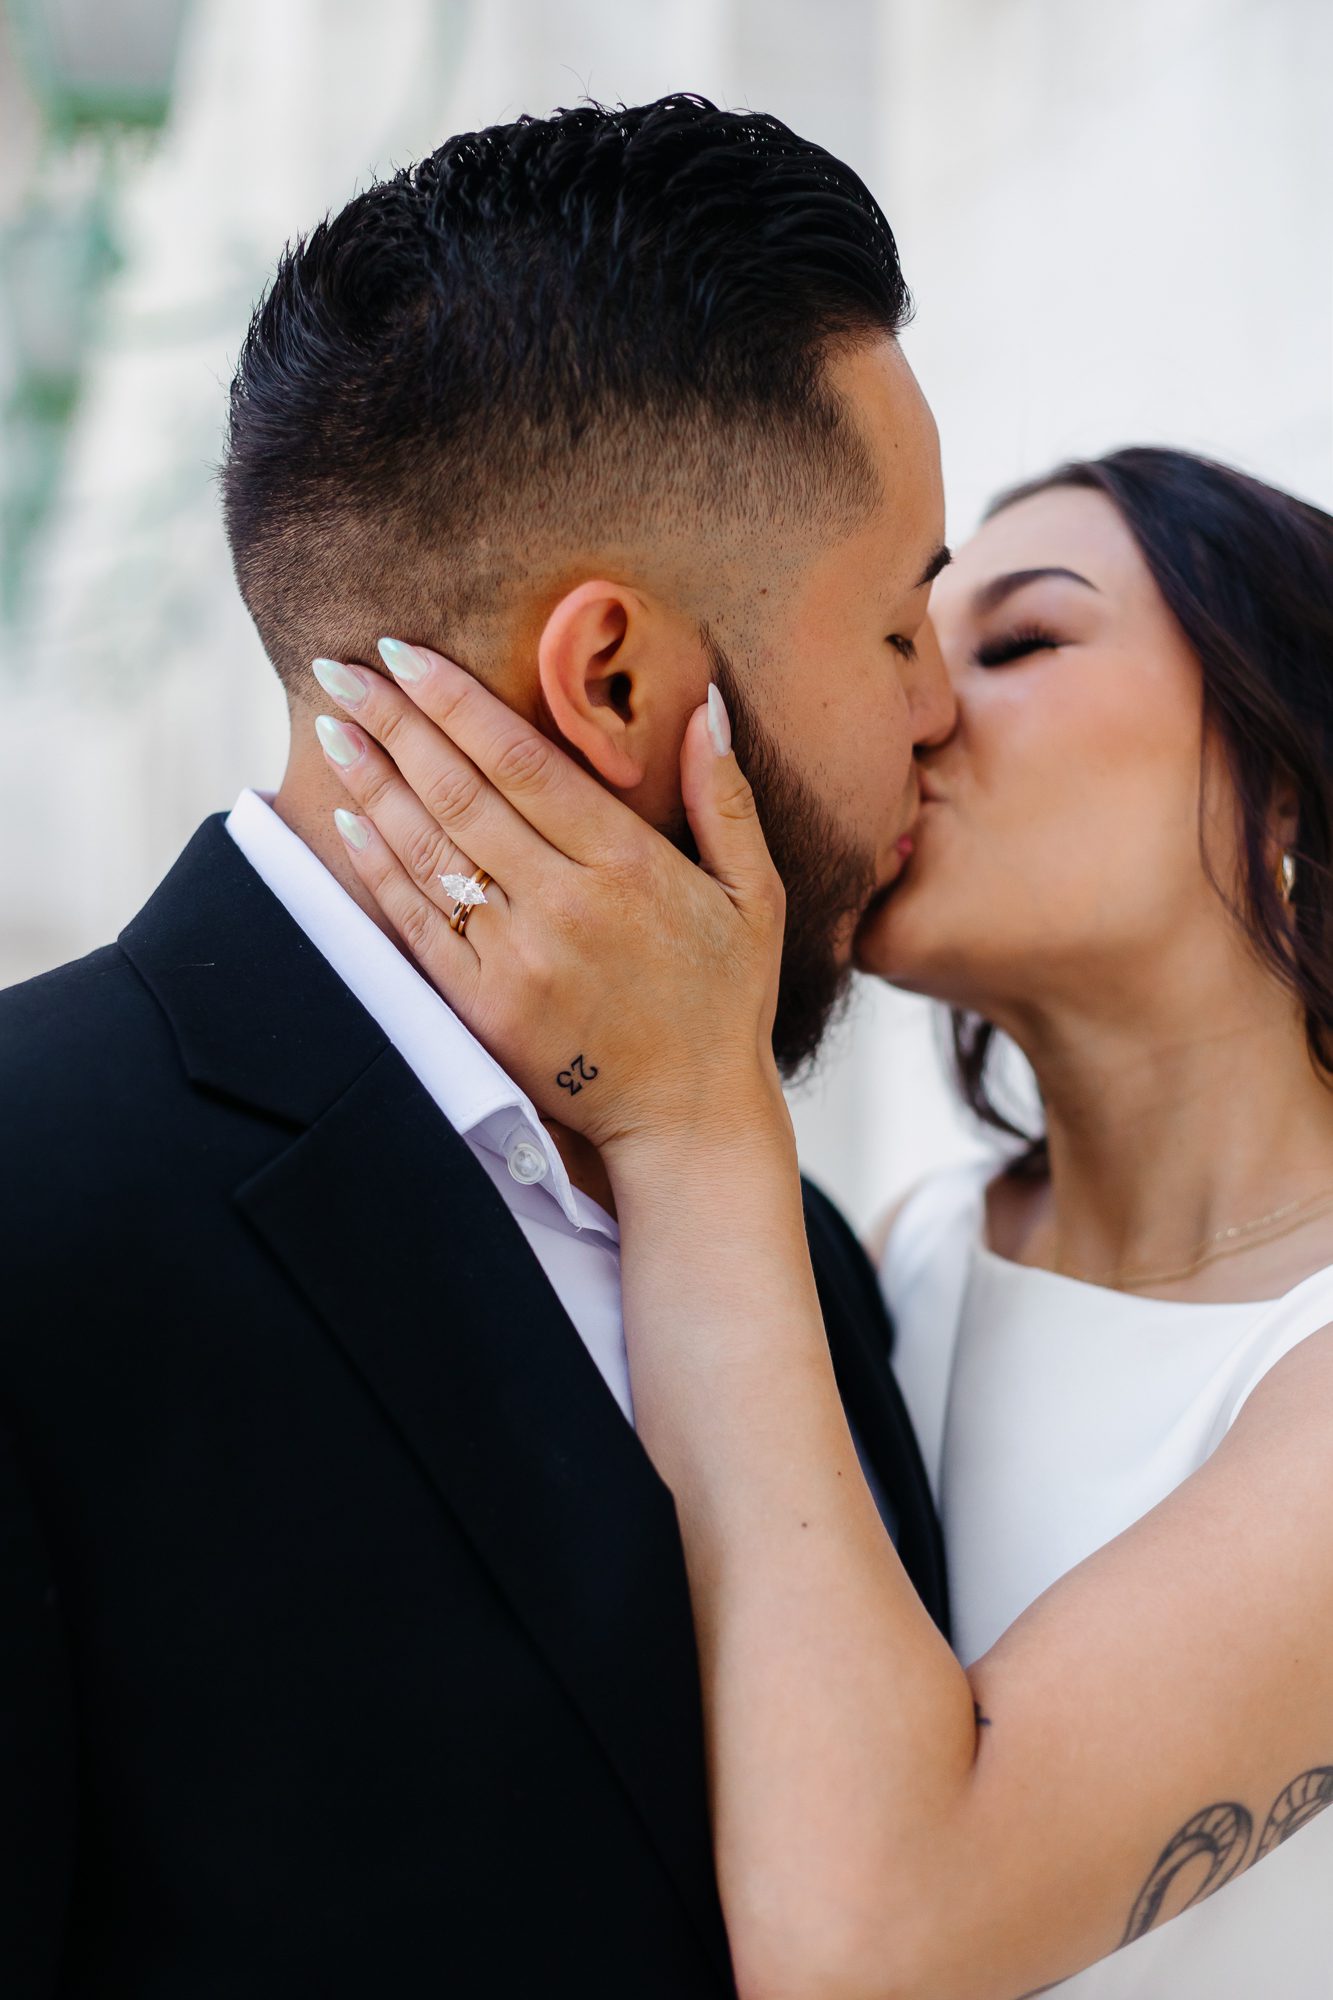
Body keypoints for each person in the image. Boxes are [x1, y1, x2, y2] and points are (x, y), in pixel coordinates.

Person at [0, 98, 954, 1995]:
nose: (942, 715)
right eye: (901, 624)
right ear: (612, 679)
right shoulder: (29, 1202)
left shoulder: (806, 1268)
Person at [324, 445, 1333, 1997]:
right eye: (908, 646)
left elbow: (871, 1947)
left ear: (1288, 757)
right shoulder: (907, 1257)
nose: (920, 710)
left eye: (1016, 645)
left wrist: (690, 1111)